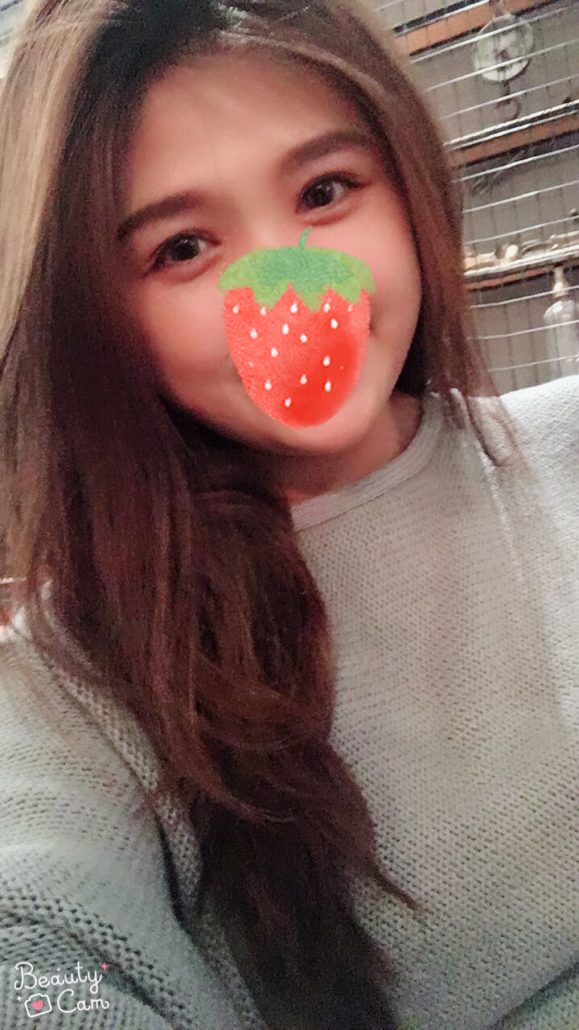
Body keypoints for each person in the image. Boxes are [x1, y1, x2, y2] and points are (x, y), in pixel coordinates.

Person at [0, 1, 577, 1028]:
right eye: (183, 247)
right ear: (94, 315)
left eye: (325, 190)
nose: (291, 293)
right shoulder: (75, 672)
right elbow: (34, 950)